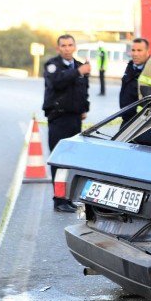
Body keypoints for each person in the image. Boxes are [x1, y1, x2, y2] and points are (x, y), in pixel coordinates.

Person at [42, 34, 90, 213]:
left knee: (70, 161)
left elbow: (83, 90)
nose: (67, 48)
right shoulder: (52, 65)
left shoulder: (79, 65)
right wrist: (79, 72)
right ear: (58, 48)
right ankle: (59, 200)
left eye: (70, 45)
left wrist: (84, 107)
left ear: (75, 47)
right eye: (63, 45)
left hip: (74, 118)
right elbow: (57, 82)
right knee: (59, 159)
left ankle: (68, 197)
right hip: (59, 118)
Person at [119, 38, 150, 126]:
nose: (135, 54)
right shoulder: (130, 66)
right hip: (127, 119)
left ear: (147, 51)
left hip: (143, 123)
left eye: (139, 50)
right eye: (133, 50)